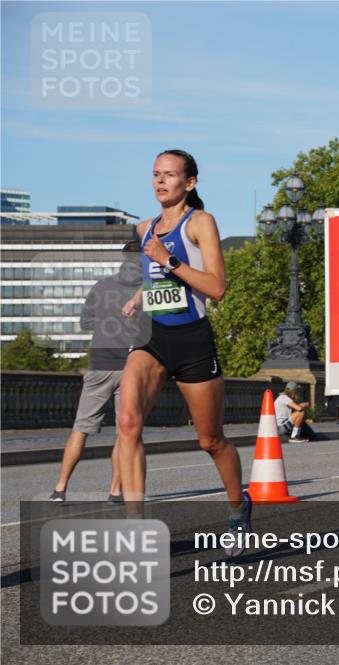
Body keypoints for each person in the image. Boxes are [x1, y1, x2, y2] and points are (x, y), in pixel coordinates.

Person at [119, 149, 250, 555]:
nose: (160, 181)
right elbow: (156, 278)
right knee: (128, 423)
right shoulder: (144, 228)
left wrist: (168, 258)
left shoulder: (200, 222)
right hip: (152, 337)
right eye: (156, 174)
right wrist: (139, 297)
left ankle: (238, 509)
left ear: (189, 182)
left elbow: (217, 288)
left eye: (170, 175)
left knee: (210, 441)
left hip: (193, 340)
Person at [49, 241, 149, 504]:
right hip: (131, 367)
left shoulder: (102, 286)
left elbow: (85, 323)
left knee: (81, 428)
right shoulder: (147, 290)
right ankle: (115, 491)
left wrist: (107, 321)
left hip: (99, 364)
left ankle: (60, 488)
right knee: (124, 433)